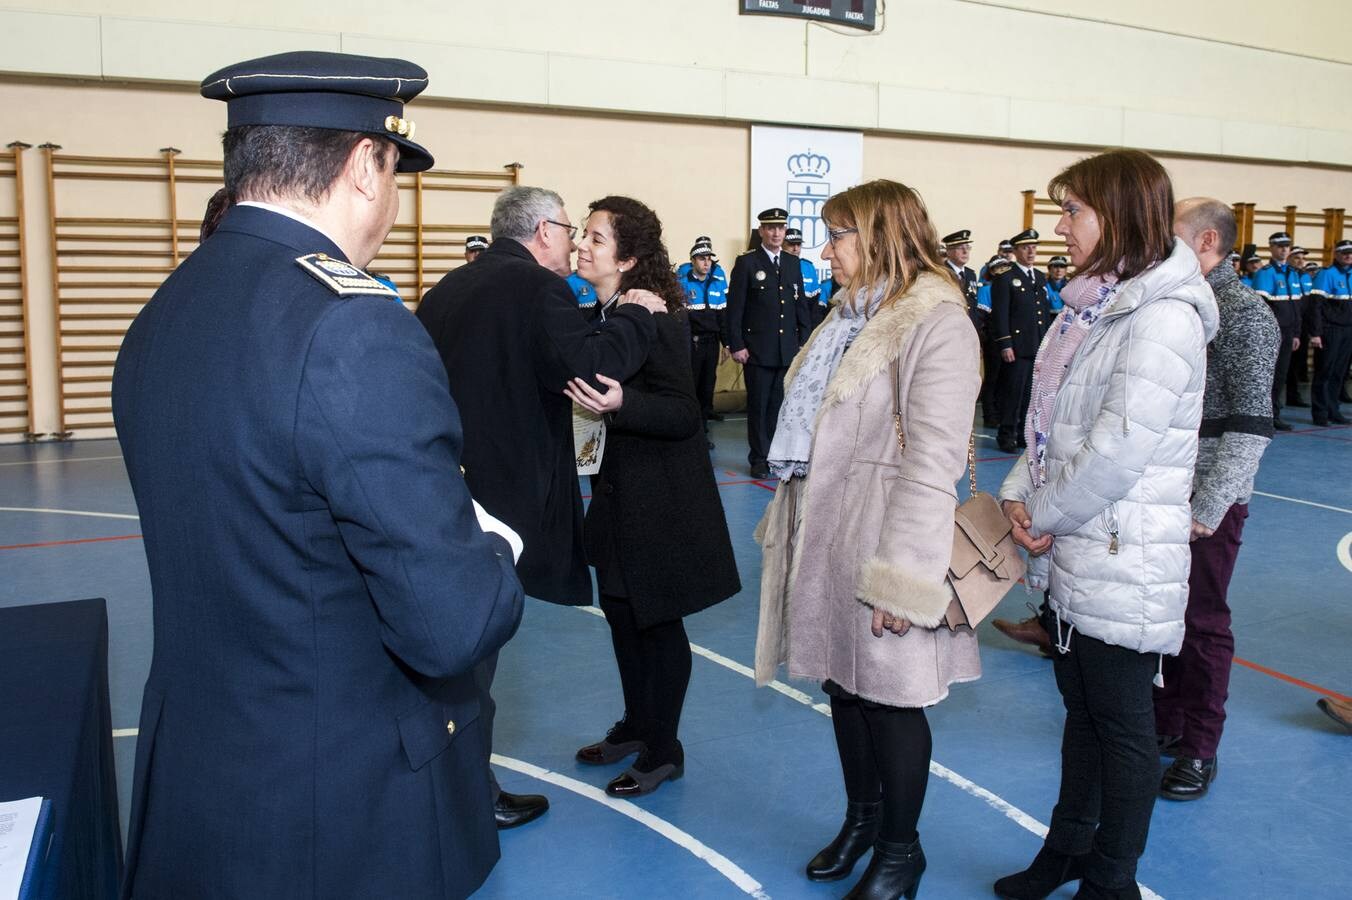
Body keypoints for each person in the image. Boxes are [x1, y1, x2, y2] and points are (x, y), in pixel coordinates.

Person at [111, 52, 526, 900]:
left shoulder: (166, 310)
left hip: (199, 779)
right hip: (338, 806)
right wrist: (493, 553)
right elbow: (447, 626)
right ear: (365, 165)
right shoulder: (352, 328)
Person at [994, 149, 1216, 900]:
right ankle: (1066, 851)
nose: (1060, 227)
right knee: (1082, 713)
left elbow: (1116, 451)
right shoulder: (1094, 307)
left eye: (1073, 212)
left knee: (1121, 727)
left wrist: (1042, 516)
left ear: (1118, 215)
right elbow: (1050, 424)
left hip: (1124, 553)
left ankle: (1111, 880)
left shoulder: (1160, 320)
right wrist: (1022, 495)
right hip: (1077, 544)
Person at [755, 180, 981, 900]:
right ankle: (863, 819)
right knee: (843, 684)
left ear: (882, 234)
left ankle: (900, 850)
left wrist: (903, 578)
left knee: (890, 695)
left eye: (839, 235)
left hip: (888, 533)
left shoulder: (934, 320)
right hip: (832, 525)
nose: (826, 249)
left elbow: (936, 458)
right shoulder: (851, 315)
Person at [416, 185, 659, 829]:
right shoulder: (536, 289)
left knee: (450, 651)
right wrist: (637, 315)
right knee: (478, 657)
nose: (574, 241)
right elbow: (591, 368)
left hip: (441, 488)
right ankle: (471, 795)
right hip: (503, 502)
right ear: (544, 230)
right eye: (568, 228)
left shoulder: (445, 290)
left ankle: (445, 783)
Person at [565, 197, 740, 796]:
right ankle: (637, 725)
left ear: (630, 257)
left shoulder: (659, 318)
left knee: (658, 625)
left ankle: (665, 748)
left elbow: (684, 413)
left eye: (596, 238)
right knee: (620, 616)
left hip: (660, 502)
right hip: (616, 496)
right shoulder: (606, 311)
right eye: (582, 235)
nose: (582, 245)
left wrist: (623, 405)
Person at [1153, 198, 1279, 802]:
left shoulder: (1245, 314)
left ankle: (1199, 747)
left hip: (1207, 500)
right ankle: (1166, 722)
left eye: (1170, 236)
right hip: (1164, 489)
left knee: (1202, 623)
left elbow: (1252, 424)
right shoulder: (1180, 305)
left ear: (1206, 242)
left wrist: (1212, 505)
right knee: (1163, 615)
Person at [726, 207, 811, 479]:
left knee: (780, 407)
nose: (776, 233)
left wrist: (803, 340)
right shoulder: (747, 263)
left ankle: (777, 456)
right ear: (761, 231)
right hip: (757, 351)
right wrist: (736, 344)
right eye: (770, 227)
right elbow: (735, 308)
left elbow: (799, 306)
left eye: (781, 228)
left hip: (786, 350)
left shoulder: (791, 263)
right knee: (759, 408)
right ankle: (759, 459)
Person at [991, 229, 1050, 452]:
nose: (1031, 251)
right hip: (1016, 347)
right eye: (1026, 247)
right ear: (1016, 251)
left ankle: (1024, 434)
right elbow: (1001, 314)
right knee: (1012, 393)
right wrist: (1005, 343)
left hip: (1035, 344)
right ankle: (1006, 434)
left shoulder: (1040, 277)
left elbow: (1042, 313)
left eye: (1034, 247)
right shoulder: (1006, 277)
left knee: (1030, 395)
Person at [1252, 231, 1304, 431]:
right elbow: (1261, 308)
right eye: (1280, 246)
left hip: (1289, 332)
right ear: (1271, 248)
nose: (1284, 249)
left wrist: (1297, 333)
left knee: (1280, 376)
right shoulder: (1265, 273)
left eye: (1287, 246)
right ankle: (1263, 416)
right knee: (1267, 376)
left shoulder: (1293, 273)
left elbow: (1296, 307)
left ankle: (1274, 414)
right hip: (1273, 333)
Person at [675, 236, 729, 431]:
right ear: (692, 261)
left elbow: (723, 317)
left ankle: (703, 430)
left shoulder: (715, 283)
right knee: (693, 386)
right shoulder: (683, 283)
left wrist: (727, 344)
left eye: (709, 259)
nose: (706, 263)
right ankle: (692, 429)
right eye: (701, 258)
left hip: (712, 343)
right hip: (693, 343)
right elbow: (681, 320)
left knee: (707, 387)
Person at [1308, 239, 1352, 425]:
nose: (1348, 256)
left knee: (1339, 373)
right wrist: (1316, 333)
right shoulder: (1327, 274)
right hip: (1330, 330)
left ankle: (1334, 410)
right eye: (1344, 253)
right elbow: (1315, 306)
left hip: (1348, 330)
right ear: (1336, 254)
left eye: (1351, 252)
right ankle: (1320, 413)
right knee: (1324, 372)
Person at [1284, 245, 1314, 406]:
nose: (1301, 261)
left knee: (1297, 362)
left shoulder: (1304, 276)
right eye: (1297, 257)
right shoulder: (1287, 274)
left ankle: (1293, 396)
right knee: (1284, 364)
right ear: (1289, 258)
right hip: (1287, 325)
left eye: (1303, 258)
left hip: (1301, 325)